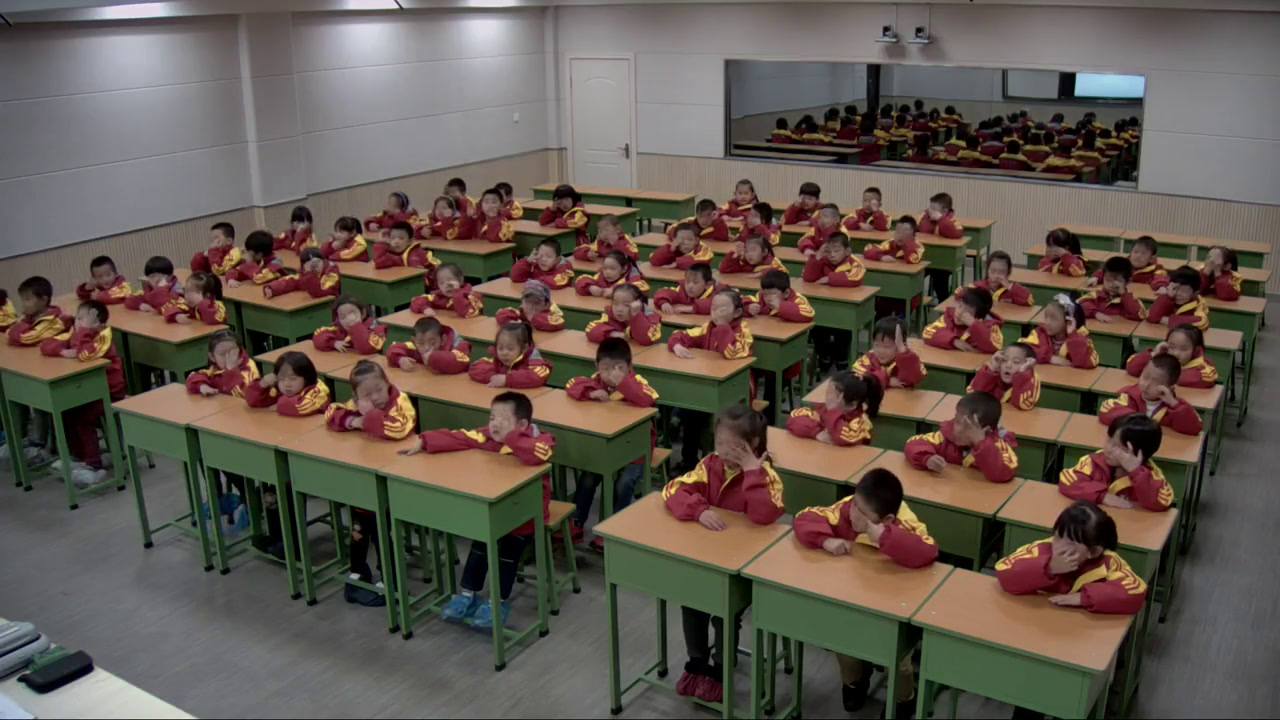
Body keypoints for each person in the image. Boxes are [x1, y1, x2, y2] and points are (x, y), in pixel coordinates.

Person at [792, 468, 937, 717]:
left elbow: (928, 551)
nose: (852, 512)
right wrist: (825, 540)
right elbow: (804, 518)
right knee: (843, 642)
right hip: (855, 598)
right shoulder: (850, 506)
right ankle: (855, 683)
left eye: (862, 512)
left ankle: (904, 701)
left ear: (887, 519)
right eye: (854, 504)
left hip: (895, 606)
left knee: (898, 664)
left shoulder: (905, 523)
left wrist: (884, 537)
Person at [403, 391, 554, 629]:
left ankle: (498, 603)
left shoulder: (541, 440)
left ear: (522, 425)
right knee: (479, 546)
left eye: (503, 419)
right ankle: (467, 594)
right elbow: (460, 437)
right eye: (492, 417)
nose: (495, 424)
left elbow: (536, 455)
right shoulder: (487, 436)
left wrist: (512, 438)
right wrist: (425, 440)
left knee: (507, 555)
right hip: (494, 509)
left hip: (525, 515)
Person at [665, 404, 783, 704]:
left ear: (753, 444)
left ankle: (721, 669)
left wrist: (752, 473)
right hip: (708, 559)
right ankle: (697, 663)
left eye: (733, 446)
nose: (724, 451)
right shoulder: (710, 465)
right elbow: (673, 490)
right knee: (692, 604)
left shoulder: (767, 476)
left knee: (723, 614)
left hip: (745, 568)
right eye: (719, 443)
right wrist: (698, 510)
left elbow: (764, 515)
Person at [325, 360, 417, 606]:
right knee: (358, 529)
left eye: (379, 389)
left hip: (393, 482)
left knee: (382, 532)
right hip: (364, 478)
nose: (375, 397)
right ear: (356, 396)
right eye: (367, 395)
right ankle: (357, 572)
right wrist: (352, 421)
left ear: (387, 384)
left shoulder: (401, 401)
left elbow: (398, 429)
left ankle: (391, 579)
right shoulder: (357, 405)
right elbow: (331, 412)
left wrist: (368, 416)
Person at [565, 338, 659, 543]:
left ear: (629, 367)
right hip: (604, 448)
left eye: (619, 368)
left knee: (624, 483)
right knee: (588, 476)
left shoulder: (637, 382)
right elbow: (571, 385)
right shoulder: (596, 381)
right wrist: (590, 392)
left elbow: (649, 399)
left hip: (636, 450)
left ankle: (613, 530)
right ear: (596, 366)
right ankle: (576, 522)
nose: (611, 374)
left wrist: (622, 384)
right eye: (605, 368)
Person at [996, 501, 1146, 615]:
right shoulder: (1041, 549)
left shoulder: (1109, 562)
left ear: (1093, 552)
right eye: (1057, 537)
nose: (1058, 546)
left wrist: (1084, 598)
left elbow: (1136, 592)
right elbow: (1005, 573)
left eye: (1070, 543)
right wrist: (1049, 568)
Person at [38, 300, 126, 487]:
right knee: (66, 411)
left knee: (83, 418)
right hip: (88, 389)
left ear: (98, 323)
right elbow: (46, 344)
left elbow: (85, 354)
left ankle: (93, 464)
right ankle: (78, 456)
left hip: (109, 391)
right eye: (77, 319)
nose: (77, 323)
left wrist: (83, 332)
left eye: (82, 319)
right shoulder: (77, 334)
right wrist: (62, 351)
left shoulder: (103, 337)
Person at [905, 392, 1019, 483]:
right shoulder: (946, 437)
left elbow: (1004, 473)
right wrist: (926, 458)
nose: (958, 430)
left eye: (967, 427)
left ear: (986, 431)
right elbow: (914, 443)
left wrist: (980, 442)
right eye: (957, 421)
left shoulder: (999, 446)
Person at [1099, 354, 1202, 435]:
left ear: (1169, 387)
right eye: (1145, 377)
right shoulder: (1130, 396)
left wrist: (1174, 404)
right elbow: (1106, 410)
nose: (1146, 385)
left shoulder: (1173, 407)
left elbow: (1195, 428)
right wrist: (1140, 421)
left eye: (1156, 382)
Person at [786, 370, 881, 446]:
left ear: (852, 405)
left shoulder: (861, 424)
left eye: (833, 395)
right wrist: (817, 432)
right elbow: (793, 419)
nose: (827, 398)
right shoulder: (823, 410)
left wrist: (833, 411)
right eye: (828, 392)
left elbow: (841, 438)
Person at [1124, 325, 1217, 388]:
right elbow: (1132, 368)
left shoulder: (1204, 370)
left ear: (1196, 350)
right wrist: (1154, 354)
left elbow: (1207, 378)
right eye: (1172, 347)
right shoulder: (1162, 357)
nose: (1176, 353)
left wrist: (1159, 375)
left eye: (1183, 349)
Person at [1021, 294, 1099, 368]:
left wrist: (1073, 336)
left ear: (1068, 321)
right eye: (1046, 317)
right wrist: (1049, 358)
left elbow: (1089, 362)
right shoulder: (1039, 333)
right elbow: (1022, 350)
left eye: (1053, 319)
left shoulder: (1081, 339)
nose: (1047, 322)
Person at [244, 351, 332, 416]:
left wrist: (279, 405)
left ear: (306, 377)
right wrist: (261, 385)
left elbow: (301, 407)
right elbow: (252, 400)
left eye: (293, 379)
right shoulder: (276, 387)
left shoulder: (318, 390)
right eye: (282, 378)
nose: (287, 384)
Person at [468, 322, 552, 389]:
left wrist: (506, 380)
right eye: (500, 348)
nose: (504, 353)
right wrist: (493, 377)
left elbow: (537, 377)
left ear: (524, 348)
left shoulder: (534, 361)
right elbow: (475, 368)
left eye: (510, 349)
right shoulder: (497, 359)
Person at [922, 287, 1003, 353]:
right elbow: (928, 332)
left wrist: (973, 324)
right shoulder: (949, 317)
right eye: (960, 306)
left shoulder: (991, 325)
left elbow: (995, 346)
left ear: (978, 318)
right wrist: (953, 341)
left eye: (967, 312)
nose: (960, 312)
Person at [852, 318, 925, 389]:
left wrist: (903, 352)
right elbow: (858, 381)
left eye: (887, 346)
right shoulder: (866, 360)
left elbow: (914, 379)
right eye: (877, 345)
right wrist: (887, 380)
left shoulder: (909, 359)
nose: (880, 351)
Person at [386, 316, 472, 375]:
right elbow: (393, 349)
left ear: (443, 340)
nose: (426, 348)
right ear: (414, 341)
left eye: (433, 343)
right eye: (421, 343)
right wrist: (400, 359)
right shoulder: (414, 346)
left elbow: (460, 362)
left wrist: (433, 358)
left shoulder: (456, 345)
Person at [186, 329, 259, 398]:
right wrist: (202, 386)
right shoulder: (215, 369)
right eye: (222, 354)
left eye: (233, 352)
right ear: (212, 357)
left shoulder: (248, 366)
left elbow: (243, 396)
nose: (228, 357)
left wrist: (232, 370)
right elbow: (193, 377)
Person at [968, 343, 1040, 410]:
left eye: (1016, 362)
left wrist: (1022, 375)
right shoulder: (992, 374)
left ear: (1027, 366)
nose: (1008, 365)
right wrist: (992, 369)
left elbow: (1023, 405)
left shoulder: (1030, 380)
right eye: (1004, 360)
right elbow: (975, 395)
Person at [584, 283, 662, 346]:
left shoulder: (652, 317)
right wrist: (612, 333)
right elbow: (590, 330)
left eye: (626, 305)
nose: (619, 309)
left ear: (638, 303)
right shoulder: (610, 314)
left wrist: (636, 315)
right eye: (615, 303)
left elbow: (646, 340)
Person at [312, 295, 387, 355]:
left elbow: (366, 348)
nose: (348, 320)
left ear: (363, 313)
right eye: (342, 316)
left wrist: (355, 326)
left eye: (352, 314)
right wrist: (333, 343)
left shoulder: (376, 328)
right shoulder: (339, 328)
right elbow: (318, 336)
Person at [8, 276, 71, 346]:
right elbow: (10, 331)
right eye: (22, 300)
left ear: (44, 300)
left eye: (27, 299)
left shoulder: (53, 320)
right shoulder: (32, 316)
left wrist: (13, 331)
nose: (23, 304)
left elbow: (24, 338)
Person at [1079, 256, 1146, 322]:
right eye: (1108, 280)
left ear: (1128, 282)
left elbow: (1138, 315)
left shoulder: (1130, 300)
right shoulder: (1096, 296)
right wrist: (1096, 313)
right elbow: (1079, 306)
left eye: (1118, 281)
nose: (1111, 285)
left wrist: (1124, 294)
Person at [955, 250, 1033, 306]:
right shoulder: (978, 287)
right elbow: (958, 293)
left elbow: (1029, 300)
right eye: (992, 271)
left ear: (1008, 272)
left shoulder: (1011, 291)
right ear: (987, 270)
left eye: (1001, 272)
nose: (996, 276)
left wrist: (1009, 286)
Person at [1088, 235, 1167, 289]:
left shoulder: (1157, 269)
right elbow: (1107, 271)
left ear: (1152, 258)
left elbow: (1160, 278)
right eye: (1135, 252)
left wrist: (1161, 287)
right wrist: (1096, 278)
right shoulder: (1123, 264)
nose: (1138, 256)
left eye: (1143, 253)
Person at [409, 263, 483, 318]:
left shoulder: (472, 296)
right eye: (441, 283)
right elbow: (415, 301)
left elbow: (466, 313)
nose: (446, 286)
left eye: (450, 281)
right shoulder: (438, 297)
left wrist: (457, 292)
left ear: (460, 280)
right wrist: (425, 308)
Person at [264, 247, 341, 299]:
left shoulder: (331, 273)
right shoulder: (304, 274)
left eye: (317, 262)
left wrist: (311, 273)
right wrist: (272, 288)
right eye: (309, 264)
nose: (314, 266)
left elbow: (319, 292)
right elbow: (289, 281)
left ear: (323, 261)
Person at [495, 281, 566, 332]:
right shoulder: (521, 312)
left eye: (537, 303)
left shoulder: (551, 314)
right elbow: (502, 314)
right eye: (528, 302)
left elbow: (556, 324)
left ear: (546, 304)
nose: (531, 307)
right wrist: (511, 323)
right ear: (522, 303)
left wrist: (532, 317)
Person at [573, 249, 649, 297]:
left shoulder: (633, 277)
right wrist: (590, 288)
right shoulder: (601, 277)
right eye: (605, 268)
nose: (607, 272)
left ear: (624, 269)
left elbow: (641, 290)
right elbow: (580, 280)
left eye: (612, 269)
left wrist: (616, 291)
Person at [746, 270, 813, 322]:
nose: (768, 298)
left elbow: (809, 314)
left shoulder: (797, 299)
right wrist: (748, 308)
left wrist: (780, 306)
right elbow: (742, 302)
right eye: (765, 294)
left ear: (786, 293)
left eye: (773, 294)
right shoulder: (761, 297)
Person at [654, 263, 719, 315]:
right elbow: (662, 292)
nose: (690, 286)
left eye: (695, 283)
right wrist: (663, 302)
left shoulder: (717, 292)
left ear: (707, 285)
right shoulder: (682, 291)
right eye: (687, 282)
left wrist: (692, 309)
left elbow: (713, 304)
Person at [372, 222, 438, 270]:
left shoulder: (415, 255)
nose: (396, 241)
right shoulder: (393, 255)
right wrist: (382, 242)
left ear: (410, 241)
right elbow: (378, 263)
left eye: (401, 238)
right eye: (393, 238)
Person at [572, 214, 637, 261]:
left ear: (617, 229)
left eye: (606, 230)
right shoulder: (599, 243)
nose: (603, 234)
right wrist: (587, 254)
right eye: (600, 232)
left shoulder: (625, 240)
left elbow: (634, 255)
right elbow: (577, 251)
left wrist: (615, 243)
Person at [650, 224, 715, 269]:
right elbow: (654, 260)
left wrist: (677, 263)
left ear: (696, 240)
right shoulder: (671, 248)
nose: (685, 243)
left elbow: (701, 262)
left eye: (689, 239)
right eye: (681, 239)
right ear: (674, 239)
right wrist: (671, 249)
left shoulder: (703, 249)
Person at [719, 234, 785, 276]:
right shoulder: (744, 263)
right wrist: (735, 255)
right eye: (746, 251)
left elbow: (783, 272)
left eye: (753, 250)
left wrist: (762, 273)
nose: (749, 254)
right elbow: (724, 269)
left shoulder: (772, 263)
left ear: (764, 252)